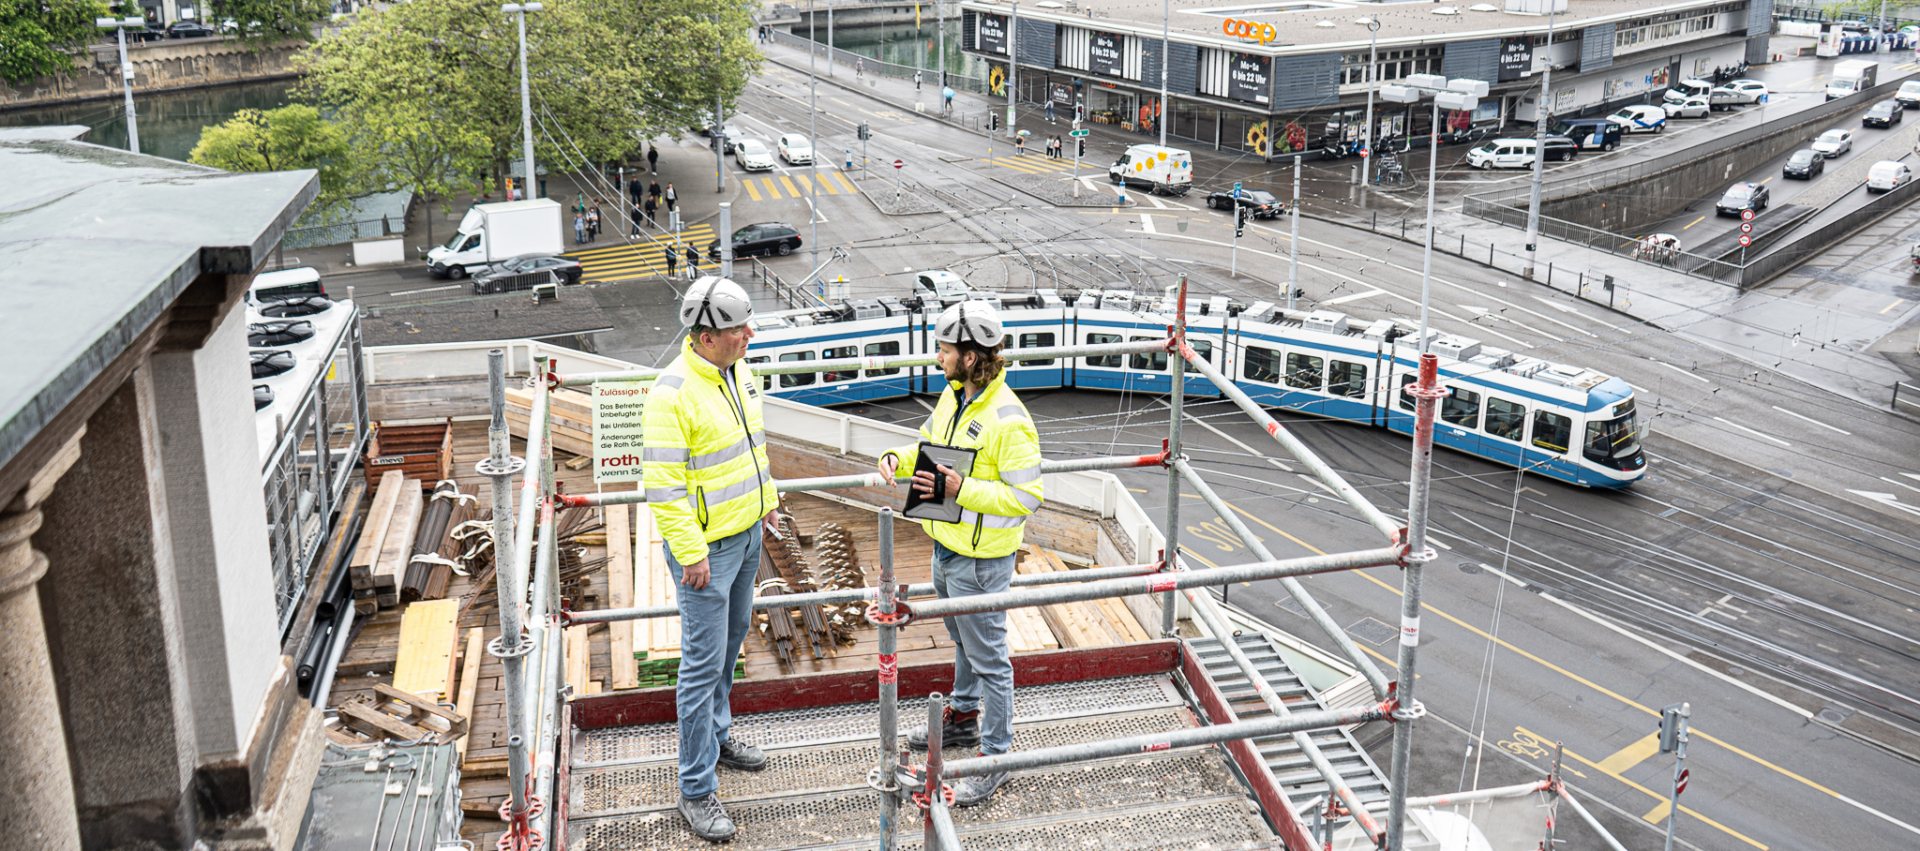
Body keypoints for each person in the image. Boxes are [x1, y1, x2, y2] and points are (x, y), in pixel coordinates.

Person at [882, 302, 1041, 809]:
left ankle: (994, 760)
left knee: (991, 660)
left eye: (946, 350)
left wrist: (962, 488)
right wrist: (897, 458)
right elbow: (930, 447)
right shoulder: (956, 398)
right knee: (963, 641)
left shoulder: (1008, 421)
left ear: (971, 358)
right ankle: (964, 719)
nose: (938, 358)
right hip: (947, 546)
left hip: (981, 560)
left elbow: (1026, 498)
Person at [644, 278, 781, 843]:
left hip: (747, 537)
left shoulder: (738, 373)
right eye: (738, 330)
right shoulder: (670, 394)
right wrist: (690, 553)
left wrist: (768, 504)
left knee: (731, 645)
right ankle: (696, 789)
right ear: (705, 337)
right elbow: (663, 486)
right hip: (707, 556)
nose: (749, 336)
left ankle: (718, 738)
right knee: (700, 670)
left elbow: (755, 447)